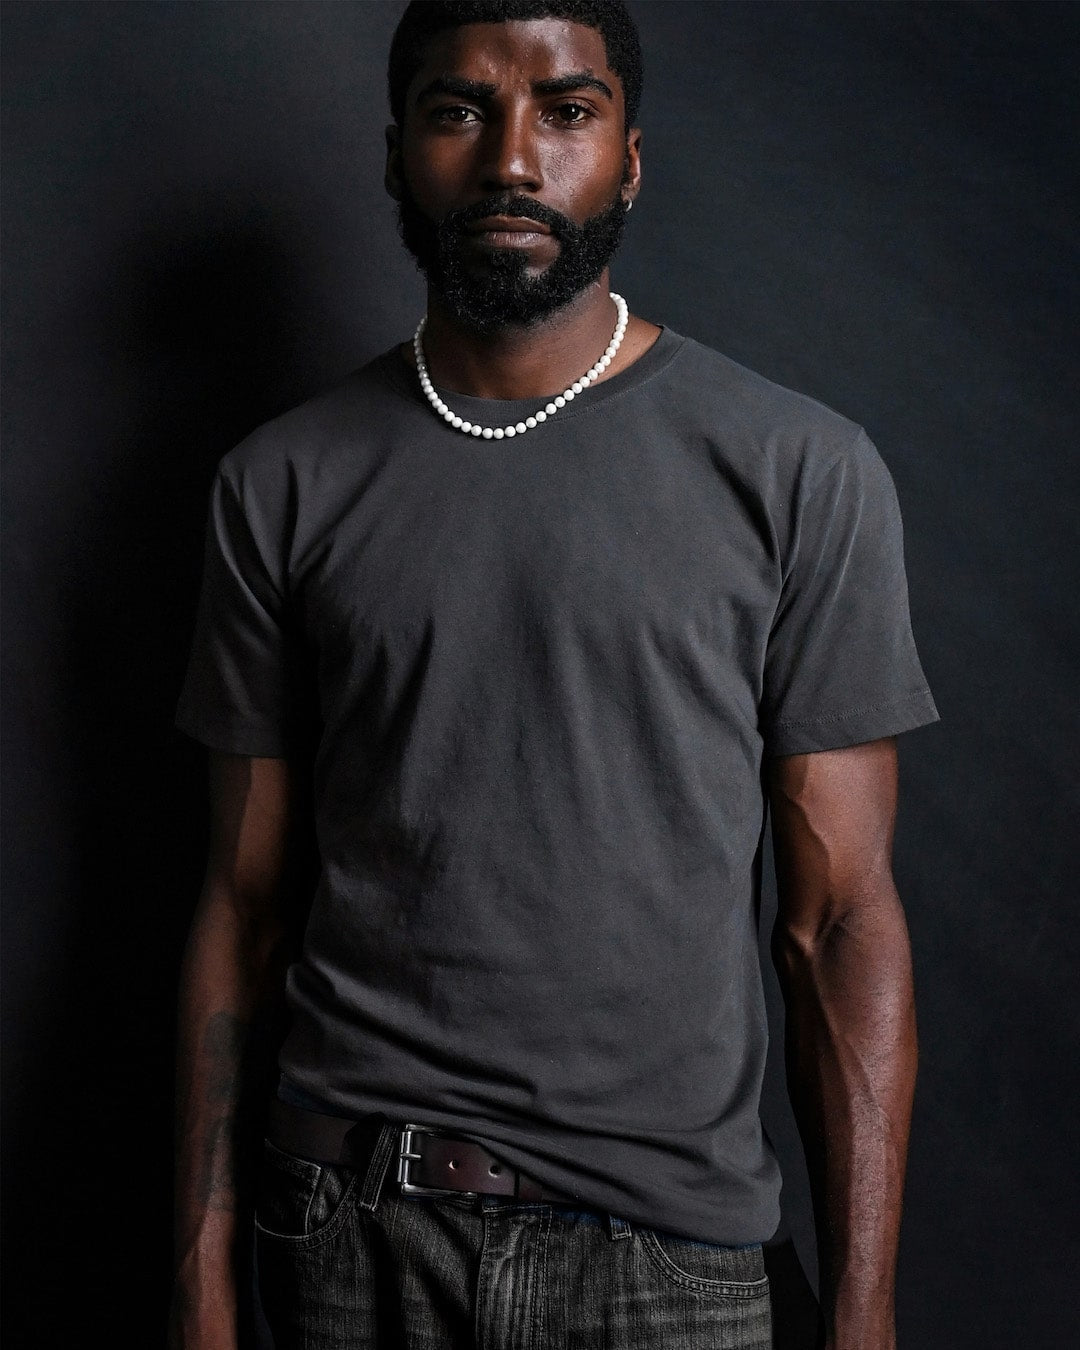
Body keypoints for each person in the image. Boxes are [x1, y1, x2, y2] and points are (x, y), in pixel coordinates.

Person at [168, 3, 939, 1348]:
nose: (512, 159)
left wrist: (864, 1306)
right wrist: (200, 1285)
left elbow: (840, 924)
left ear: (630, 157)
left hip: (674, 1270)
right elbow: (242, 902)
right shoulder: (279, 484)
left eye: (567, 112)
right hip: (350, 1238)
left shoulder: (800, 473)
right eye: (459, 110)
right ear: (398, 153)